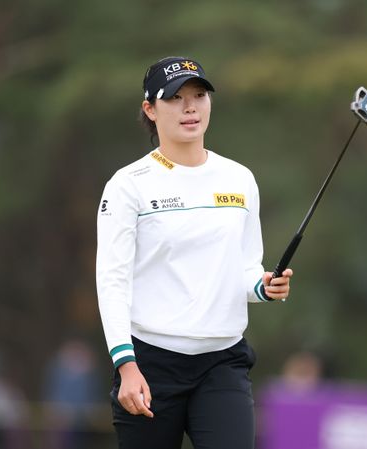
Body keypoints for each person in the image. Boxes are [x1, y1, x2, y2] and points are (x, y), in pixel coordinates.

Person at [95, 56, 293, 449]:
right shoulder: (127, 185)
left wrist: (263, 286)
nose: (190, 107)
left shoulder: (239, 179)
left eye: (199, 95)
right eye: (175, 98)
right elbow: (112, 280)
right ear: (150, 109)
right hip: (150, 363)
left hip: (222, 362)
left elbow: (245, 268)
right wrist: (126, 364)